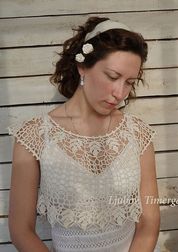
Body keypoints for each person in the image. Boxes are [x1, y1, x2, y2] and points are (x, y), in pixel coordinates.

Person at [8, 16, 160, 252]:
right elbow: (21, 230)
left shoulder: (138, 133)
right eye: (112, 76)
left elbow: (149, 223)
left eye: (129, 82)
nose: (119, 93)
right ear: (82, 67)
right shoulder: (35, 136)